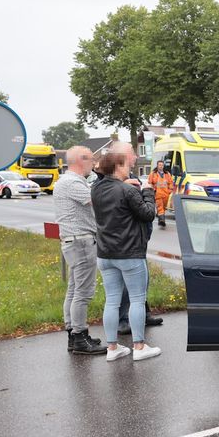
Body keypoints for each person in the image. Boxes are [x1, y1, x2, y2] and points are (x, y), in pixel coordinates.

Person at [91, 143, 162, 361]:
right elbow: (148, 214)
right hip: (130, 253)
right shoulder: (128, 190)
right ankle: (139, 346)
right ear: (119, 165)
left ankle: (112, 348)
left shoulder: (97, 189)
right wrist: (148, 192)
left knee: (112, 300)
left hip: (105, 253)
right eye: (125, 163)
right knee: (137, 299)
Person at [53, 146, 106, 355]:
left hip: (74, 241)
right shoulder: (72, 182)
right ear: (81, 160)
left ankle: (74, 335)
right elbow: (97, 200)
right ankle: (80, 336)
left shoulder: (67, 181)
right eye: (92, 160)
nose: (93, 165)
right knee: (83, 292)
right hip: (82, 242)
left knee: (74, 290)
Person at [147, 160, 174, 228]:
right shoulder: (153, 173)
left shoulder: (167, 174)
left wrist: (170, 190)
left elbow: (170, 182)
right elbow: (150, 182)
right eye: (159, 165)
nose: (161, 166)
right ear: (157, 165)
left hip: (166, 194)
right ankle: (162, 220)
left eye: (162, 165)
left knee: (163, 208)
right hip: (158, 194)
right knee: (160, 207)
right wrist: (152, 190)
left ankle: (160, 219)